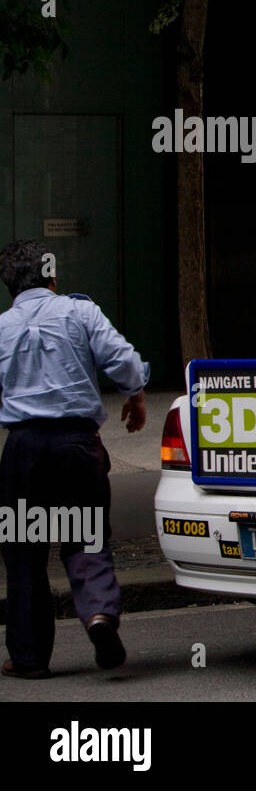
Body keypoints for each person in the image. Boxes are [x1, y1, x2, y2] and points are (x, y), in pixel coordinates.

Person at [0, 240, 148, 677]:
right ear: (52, 276)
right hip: (76, 446)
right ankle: (100, 615)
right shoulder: (81, 312)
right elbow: (125, 362)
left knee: (24, 553)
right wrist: (134, 395)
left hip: (23, 451)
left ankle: (28, 659)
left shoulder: (3, 326)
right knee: (85, 538)